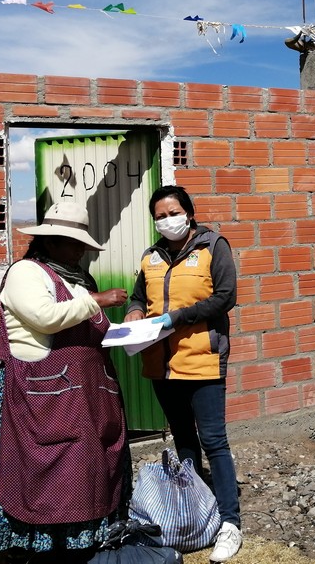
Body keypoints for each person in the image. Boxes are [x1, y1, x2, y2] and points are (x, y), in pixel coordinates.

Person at [0, 201, 131, 564]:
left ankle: (78, 545)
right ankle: (25, 550)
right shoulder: (27, 272)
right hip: (40, 394)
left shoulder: (77, 279)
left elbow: (92, 325)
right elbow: (44, 317)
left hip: (84, 394)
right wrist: (97, 300)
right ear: (51, 242)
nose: (81, 251)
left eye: (82, 244)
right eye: (74, 243)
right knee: (41, 473)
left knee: (87, 470)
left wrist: (129, 332)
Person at [124, 185, 242, 562]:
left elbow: (226, 296)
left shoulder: (212, 246)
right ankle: (195, 511)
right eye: (159, 215)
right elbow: (139, 296)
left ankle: (229, 522)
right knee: (183, 440)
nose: (166, 220)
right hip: (161, 365)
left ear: (188, 213)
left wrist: (178, 317)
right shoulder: (151, 257)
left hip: (202, 359)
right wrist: (134, 312)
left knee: (214, 441)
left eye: (172, 212)